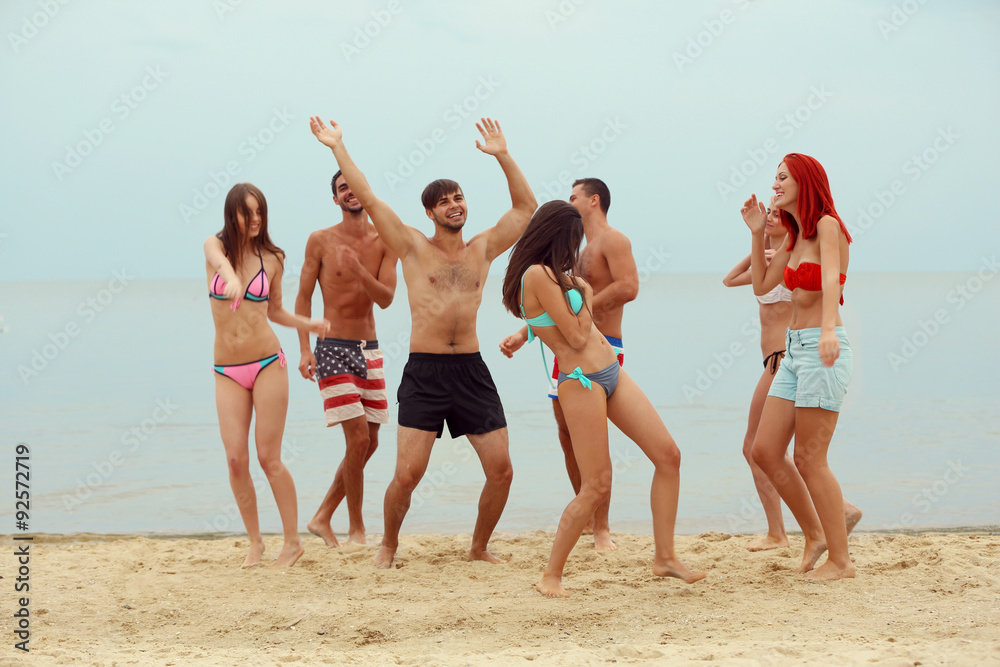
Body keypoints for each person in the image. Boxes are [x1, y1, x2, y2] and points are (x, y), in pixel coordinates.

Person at [309, 115, 537, 569]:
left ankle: (478, 548)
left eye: (458, 197)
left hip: (471, 370)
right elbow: (370, 198)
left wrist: (503, 156)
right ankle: (388, 545)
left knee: (502, 470)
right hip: (425, 372)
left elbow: (526, 210)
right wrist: (337, 147)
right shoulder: (412, 246)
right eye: (443, 202)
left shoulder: (483, 247)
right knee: (407, 475)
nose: (454, 205)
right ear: (429, 213)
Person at [502, 200, 705, 597]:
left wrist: (579, 292)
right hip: (580, 381)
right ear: (559, 236)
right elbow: (577, 336)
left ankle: (665, 556)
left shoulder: (558, 276)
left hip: (611, 371)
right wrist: (586, 290)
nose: (576, 249)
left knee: (668, 455)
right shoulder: (537, 274)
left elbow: (577, 323)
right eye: (573, 239)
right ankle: (551, 576)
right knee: (596, 485)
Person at [499, 178, 637, 551]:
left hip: (603, 347)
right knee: (567, 436)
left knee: (597, 441)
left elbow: (629, 287)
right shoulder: (570, 253)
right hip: (567, 353)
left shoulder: (613, 241)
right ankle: (587, 516)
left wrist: (587, 308)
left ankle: (603, 528)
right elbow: (555, 308)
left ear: (594, 200)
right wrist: (525, 333)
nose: (568, 200)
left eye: (574, 195)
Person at [741, 153, 858, 580]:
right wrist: (757, 233)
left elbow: (831, 282)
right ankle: (814, 534)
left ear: (804, 181)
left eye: (782, 178)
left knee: (811, 460)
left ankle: (841, 562)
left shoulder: (827, 226)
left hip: (822, 348)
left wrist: (828, 330)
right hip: (793, 352)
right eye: (774, 178)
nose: (775, 185)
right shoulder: (791, 235)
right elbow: (761, 283)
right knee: (765, 451)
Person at [204, 183, 330, 568]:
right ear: (232, 215)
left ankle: (292, 542)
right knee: (235, 460)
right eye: (247, 212)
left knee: (267, 458)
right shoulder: (215, 248)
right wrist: (230, 276)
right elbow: (218, 261)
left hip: (266, 363)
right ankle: (255, 543)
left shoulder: (273, 257)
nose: (256, 219)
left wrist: (307, 323)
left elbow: (275, 311)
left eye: (260, 212)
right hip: (226, 368)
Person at [296, 168, 398, 548]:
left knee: (370, 442)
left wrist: (359, 271)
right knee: (357, 440)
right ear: (335, 198)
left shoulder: (385, 240)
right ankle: (356, 528)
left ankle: (322, 516)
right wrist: (305, 348)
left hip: (369, 351)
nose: (350, 192)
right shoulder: (320, 240)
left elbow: (386, 298)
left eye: (354, 186)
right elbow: (304, 297)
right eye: (342, 188)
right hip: (332, 348)